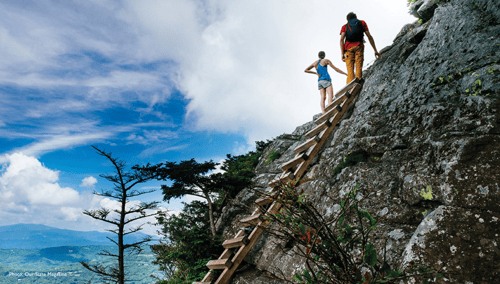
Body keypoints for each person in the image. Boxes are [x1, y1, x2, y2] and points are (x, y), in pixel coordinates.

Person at [340, 12, 381, 84]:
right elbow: (369, 36)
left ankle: (350, 87)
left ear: (347, 19)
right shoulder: (362, 23)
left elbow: (341, 39)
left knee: (350, 70)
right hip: (359, 47)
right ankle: (357, 84)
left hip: (348, 49)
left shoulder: (345, 26)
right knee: (358, 67)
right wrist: (375, 50)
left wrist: (342, 53)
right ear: (356, 17)